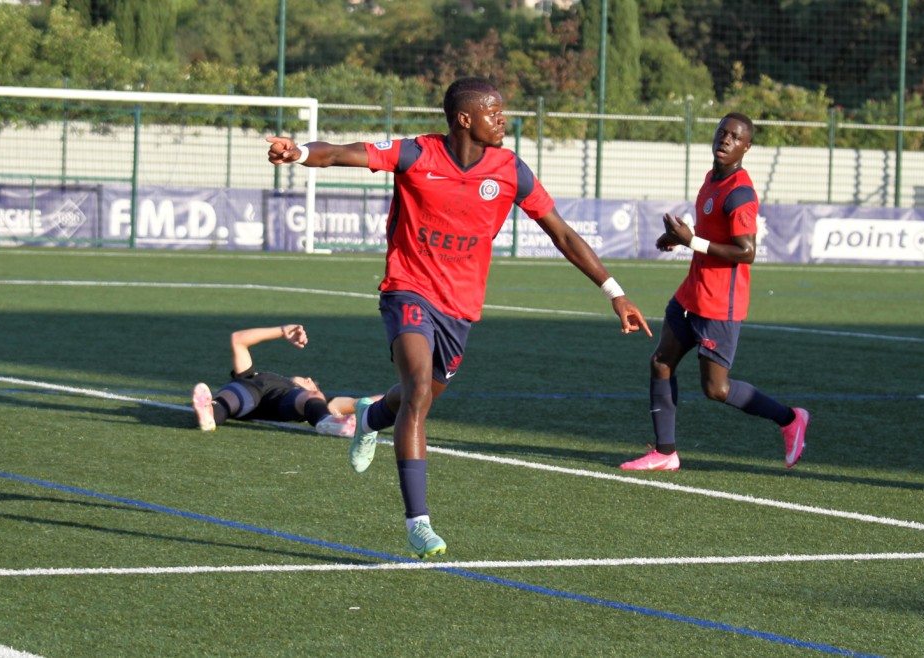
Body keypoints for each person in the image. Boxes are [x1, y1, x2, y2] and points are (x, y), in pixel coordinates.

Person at [266, 77, 651, 559]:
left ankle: (369, 414)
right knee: (420, 389)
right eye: (494, 111)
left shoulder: (511, 170)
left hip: (460, 308)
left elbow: (563, 234)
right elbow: (342, 152)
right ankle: (418, 522)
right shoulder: (416, 154)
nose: (503, 119)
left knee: (419, 393)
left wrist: (614, 291)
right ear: (465, 118)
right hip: (407, 288)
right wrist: (298, 152)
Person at [620, 112, 809, 472]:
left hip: (720, 304)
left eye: (735, 137)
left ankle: (790, 419)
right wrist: (679, 238)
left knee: (716, 390)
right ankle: (665, 452)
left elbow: (746, 251)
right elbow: (709, 235)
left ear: (746, 147)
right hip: (691, 294)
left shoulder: (741, 193)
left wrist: (694, 241)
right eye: (722, 133)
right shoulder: (711, 179)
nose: (725, 140)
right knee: (661, 362)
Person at [191, 324, 359, 437]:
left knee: (309, 396)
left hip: (282, 403)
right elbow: (238, 339)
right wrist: (281, 330)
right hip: (249, 389)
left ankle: (326, 421)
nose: (308, 379)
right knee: (236, 392)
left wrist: (386, 400)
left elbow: (358, 402)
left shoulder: (317, 399)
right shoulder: (253, 375)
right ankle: (211, 413)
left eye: (312, 382)